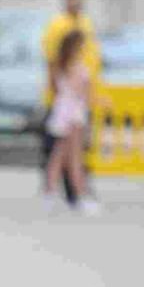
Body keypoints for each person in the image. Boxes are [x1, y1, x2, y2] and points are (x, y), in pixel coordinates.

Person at [40, 0, 102, 207]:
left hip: (68, 105)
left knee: (62, 153)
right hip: (69, 106)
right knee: (70, 155)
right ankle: (77, 194)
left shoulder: (86, 22)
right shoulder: (58, 24)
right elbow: (51, 63)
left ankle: (57, 193)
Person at [44, 31, 98, 215]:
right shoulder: (75, 67)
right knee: (74, 158)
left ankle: (50, 194)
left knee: (58, 156)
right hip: (73, 113)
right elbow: (81, 93)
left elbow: (55, 89)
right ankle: (80, 196)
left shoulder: (60, 65)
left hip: (62, 111)